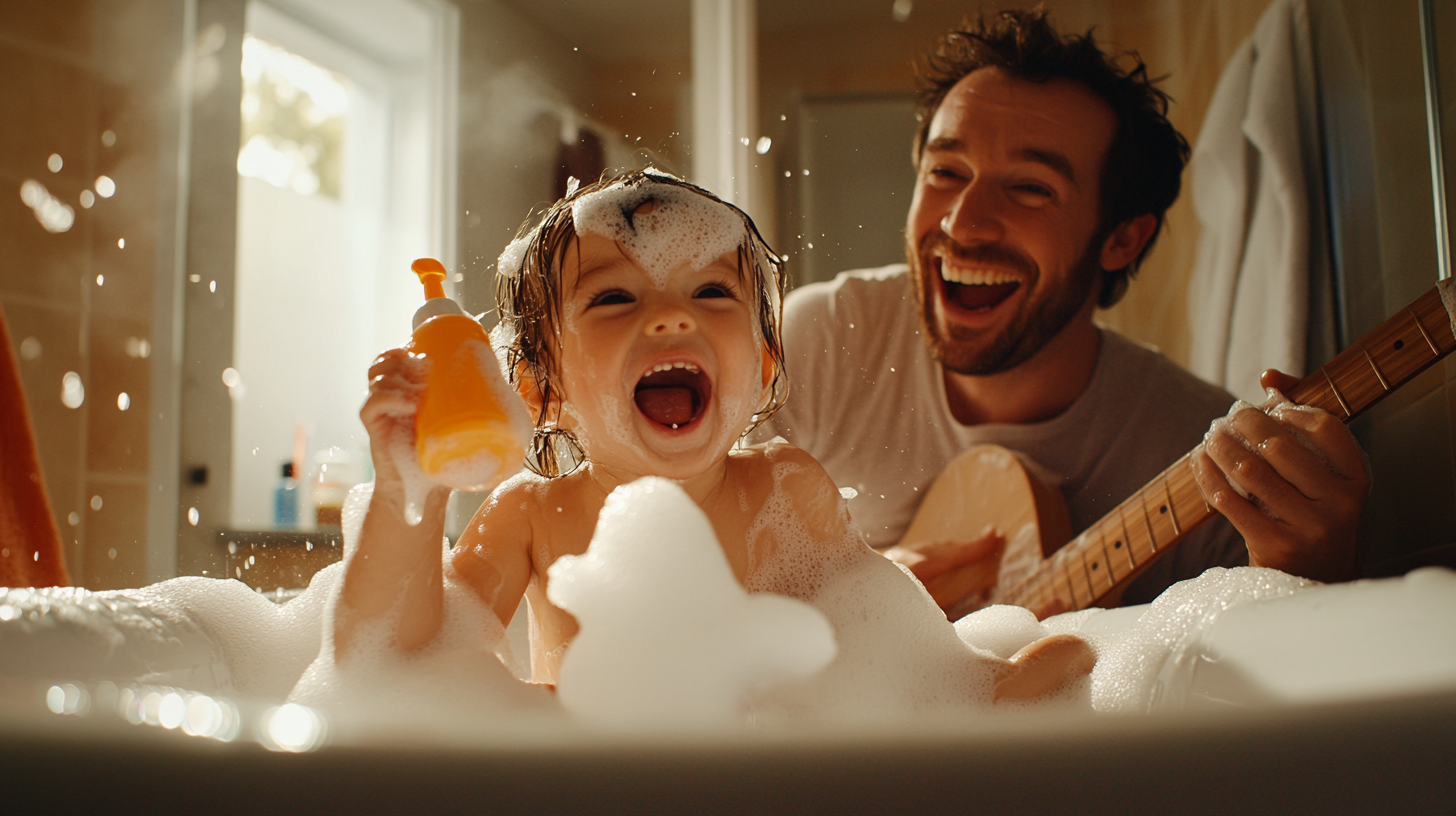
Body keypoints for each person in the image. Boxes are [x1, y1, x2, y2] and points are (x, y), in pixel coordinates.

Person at [332, 169, 1094, 702]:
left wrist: (977, 688)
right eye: (614, 298)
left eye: (709, 290)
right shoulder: (531, 517)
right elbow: (397, 663)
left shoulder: (785, 490)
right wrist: (410, 492)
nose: (671, 316)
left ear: (763, 368)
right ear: (543, 390)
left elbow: (890, 651)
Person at [753, 10, 1368, 608]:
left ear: (1121, 237)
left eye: (1029, 188)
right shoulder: (817, 343)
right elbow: (693, 574)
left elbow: (1264, 690)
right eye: (945, 171)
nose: (962, 224)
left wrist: (1312, 574)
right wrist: (850, 599)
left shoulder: (1196, 457)